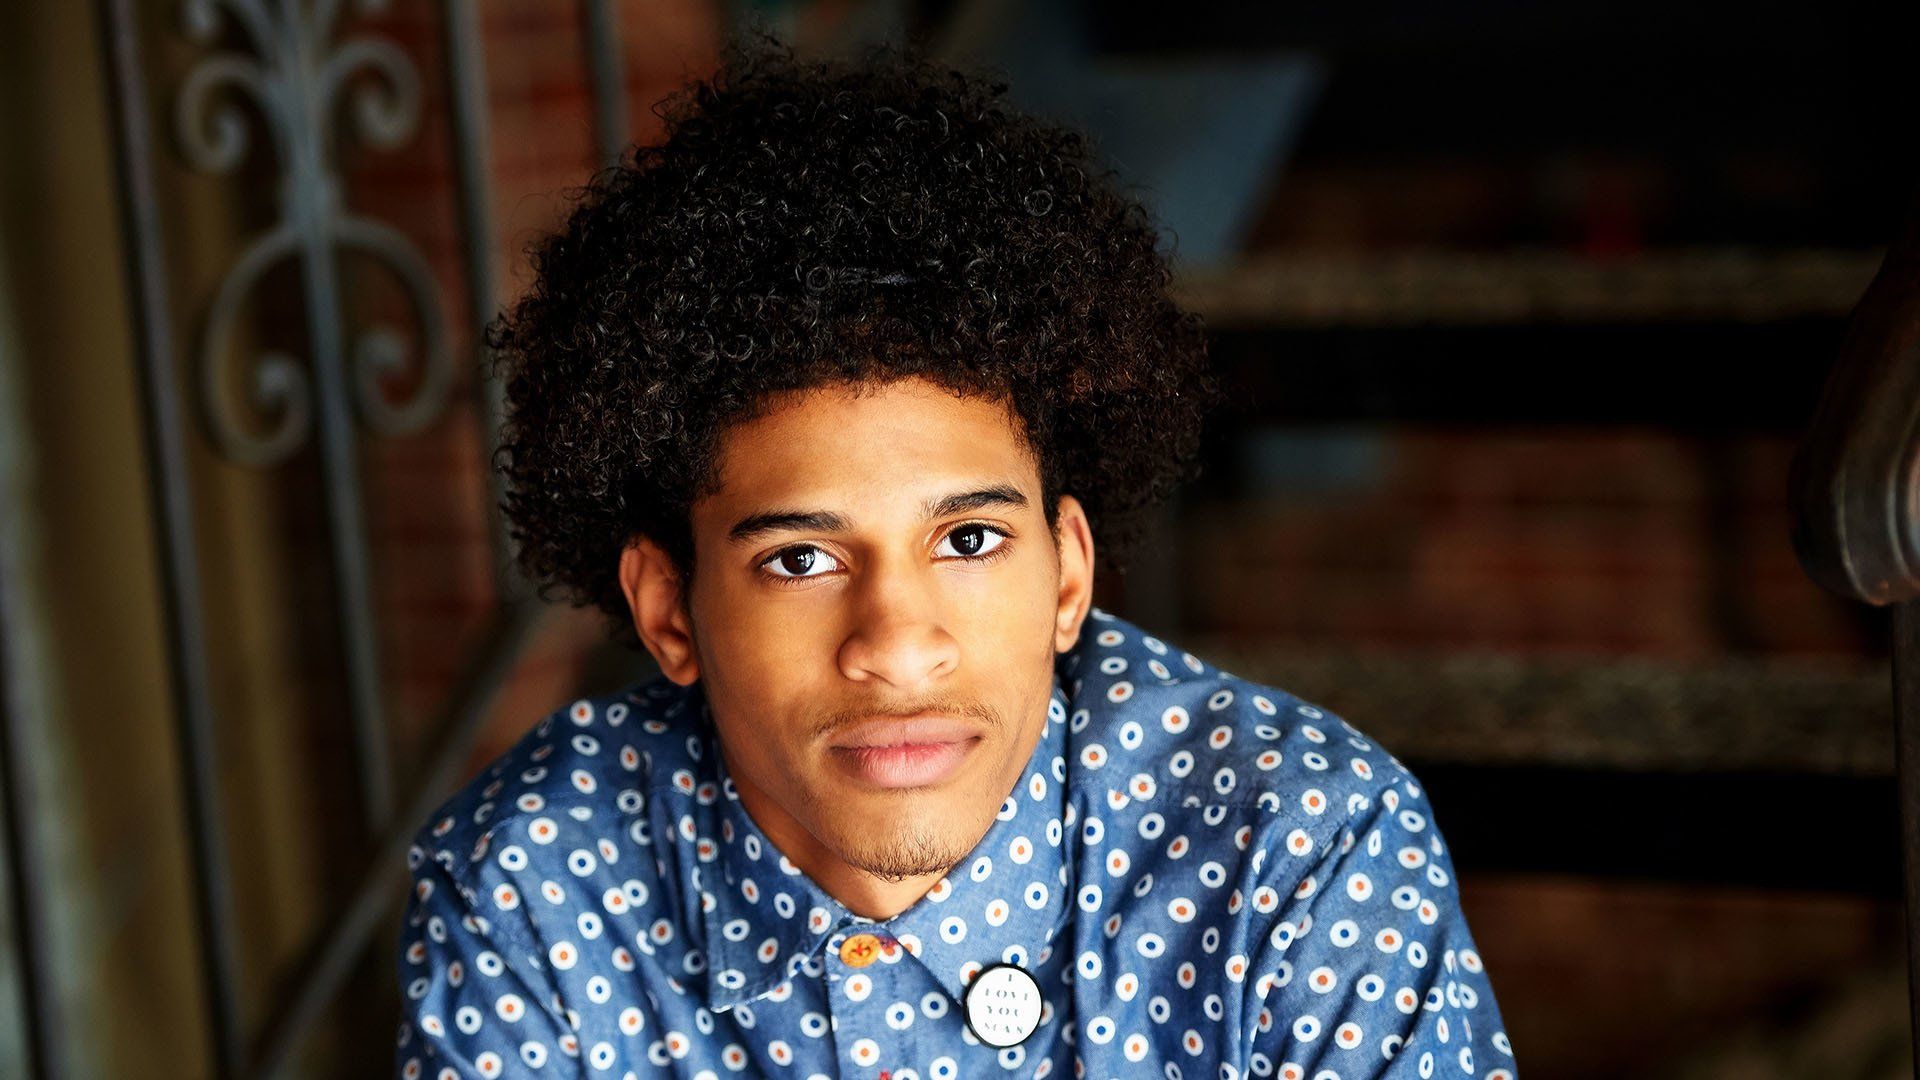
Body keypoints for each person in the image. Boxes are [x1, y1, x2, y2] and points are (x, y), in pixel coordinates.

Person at [393, 30, 1516, 1080]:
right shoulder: (532, 887)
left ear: (1067, 576)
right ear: (670, 611)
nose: (899, 646)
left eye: (969, 539)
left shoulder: (1301, 851)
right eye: (799, 559)